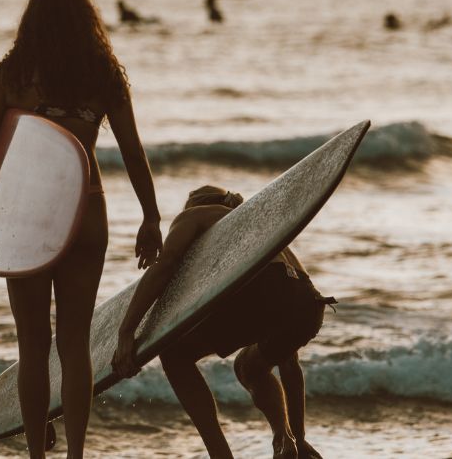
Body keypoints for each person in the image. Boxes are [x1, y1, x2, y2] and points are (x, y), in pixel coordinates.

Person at [0, 0, 162, 459]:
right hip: (87, 210)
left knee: (32, 346)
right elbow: (133, 152)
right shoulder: (104, 75)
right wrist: (151, 216)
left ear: (33, 23)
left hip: (28, 217)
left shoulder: (13, 74)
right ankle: (77, 454)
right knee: (74, 343)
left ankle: (37, 457)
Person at [112, 186, 331, 459]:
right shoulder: (264, 229)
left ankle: (220, 455)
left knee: (174, 353)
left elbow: (166, 264)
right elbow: (290, 364)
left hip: (267, 289)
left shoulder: (195, 216)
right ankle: (285, 440)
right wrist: (301, 437)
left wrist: (127, 331)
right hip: (309, 304)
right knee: (249, 367)